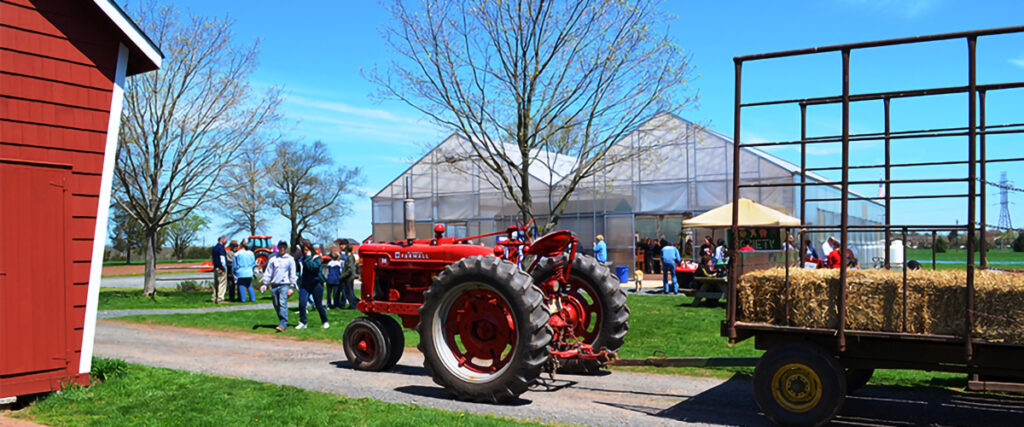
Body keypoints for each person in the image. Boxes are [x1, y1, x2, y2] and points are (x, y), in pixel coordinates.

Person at [261, 241, 297, 332]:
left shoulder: (290, 259)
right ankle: (282, 320)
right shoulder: (273, 259)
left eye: (284, 247)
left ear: (286, 248)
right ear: (278, 247)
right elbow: (268, 272)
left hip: (284, 284)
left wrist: (292, 287)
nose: (282, 249)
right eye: (280, 247)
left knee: (282, 303)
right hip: (274, 285)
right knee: (276, 304)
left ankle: (283, 323)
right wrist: (265, 284)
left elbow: (293, 273)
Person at [297, 241, 329, 329]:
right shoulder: (303, 258)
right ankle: (303, 322)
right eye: (304, 250)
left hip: (316, 284)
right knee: (302, 303)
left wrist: (308, 258)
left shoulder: (316, 258)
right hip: (305, 284)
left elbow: (313, 268)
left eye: (307, 250)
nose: (305, 252)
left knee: (318, 305)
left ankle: (325, 321)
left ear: (311, 250)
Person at [338, 244, 359, 309]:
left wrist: (342, 276)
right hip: (348, 277)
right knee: (349, 292)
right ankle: (354, 304)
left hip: (349, 278)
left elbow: (350, 269)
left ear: (347, 250)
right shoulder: (350, 257)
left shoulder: (350, 258)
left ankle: (354, 305)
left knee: (349, 292)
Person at [210, 236, 229, 304]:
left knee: (216, 284)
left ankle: (214, 298)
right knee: (222, 283)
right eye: (225, 240)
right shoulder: (221, 248)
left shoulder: (215, 248)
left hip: (216, 267)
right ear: (222, 240)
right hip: (221, 268)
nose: (226, 242)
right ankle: (220, 299)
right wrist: (224, 268)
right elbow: (222, 259)